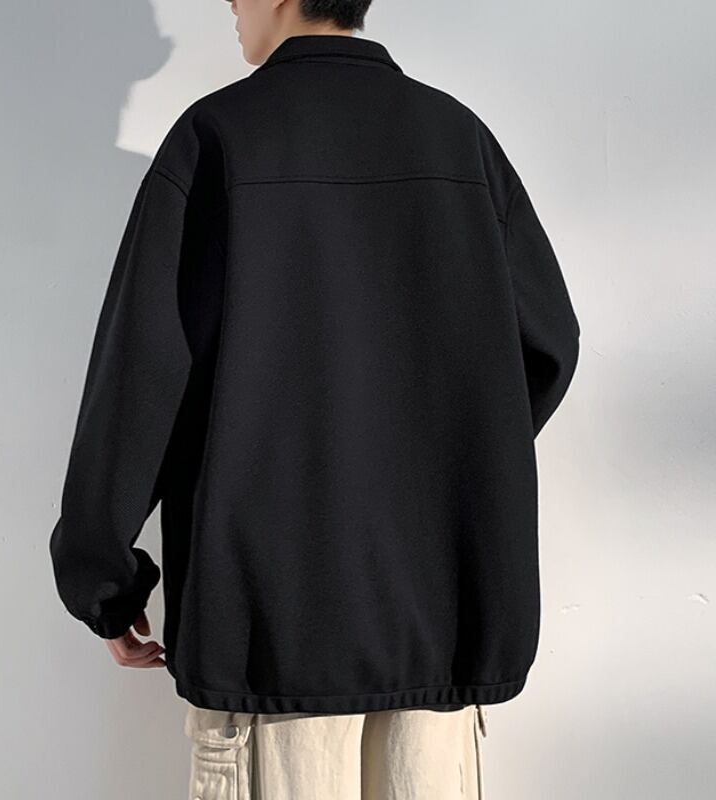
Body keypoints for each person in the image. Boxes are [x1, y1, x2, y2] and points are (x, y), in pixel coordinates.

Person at [48, 0, 580, 797]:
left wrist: (104, 581)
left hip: (271, 636)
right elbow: (549, 344)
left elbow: (141, 378)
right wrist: (441, 458)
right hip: (439, 630)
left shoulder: (217, 139)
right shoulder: (457, 138)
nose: (230, 5)